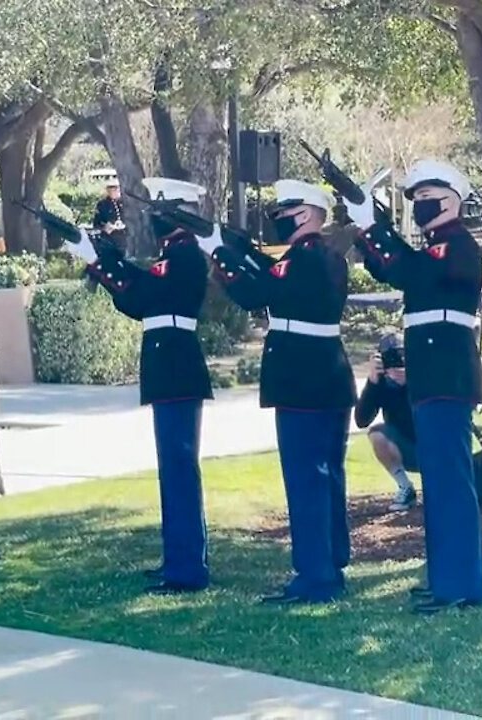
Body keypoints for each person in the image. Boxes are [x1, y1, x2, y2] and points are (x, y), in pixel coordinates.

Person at [347, 159, 482, 615]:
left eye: (426, 199)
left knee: (450, 483)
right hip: (432, 378)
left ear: (451, 201)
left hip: (447, 376)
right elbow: (391, 267)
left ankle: (462, 584)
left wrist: (374, 223)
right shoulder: (433, 248)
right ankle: (446, 578)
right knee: (440, 485)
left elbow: (409, 271)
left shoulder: (458, 246)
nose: (420, 207)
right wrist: (369, 227)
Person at [64, 177, 214, 595]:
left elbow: (144, 292)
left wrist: (104, 259)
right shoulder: (174, 254)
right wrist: (97, 257)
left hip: (177, 368)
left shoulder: (185, 255)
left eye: (161, 209)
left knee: (179, 469)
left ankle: (187, 567)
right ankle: (178, 558)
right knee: (172, 470)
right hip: (168, 368)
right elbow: (134, 301)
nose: (154, 217)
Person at [209, 179, 354, 605]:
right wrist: (237, 247)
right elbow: (272, 274)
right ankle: (331, 563)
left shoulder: (304, 258)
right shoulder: (322, 256)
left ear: (307, 214)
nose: (277, 220)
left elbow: (257, 291)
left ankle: (314, 576)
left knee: (306, 478)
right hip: (328, 373)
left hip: (301, 378)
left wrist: (219, 252)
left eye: (284, 213)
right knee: (327, 476)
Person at [355, 333, 418, 511]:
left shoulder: (422, 376)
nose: (397, 363)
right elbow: (361, 420)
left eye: (401, 356)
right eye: (390, 358)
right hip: (406, 447)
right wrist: (373, 383)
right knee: (377, 434)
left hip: (435, 448)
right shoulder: (382, 384)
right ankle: (405, 486)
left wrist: (411, 379)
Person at [92, 178, 127, 248]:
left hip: (125, 238)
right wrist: (106, 226)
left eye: (117, 188)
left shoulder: (126, 203)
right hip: (109, 239)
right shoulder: (102, 204)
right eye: (112, 189)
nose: (115, 191)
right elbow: (97, 223)